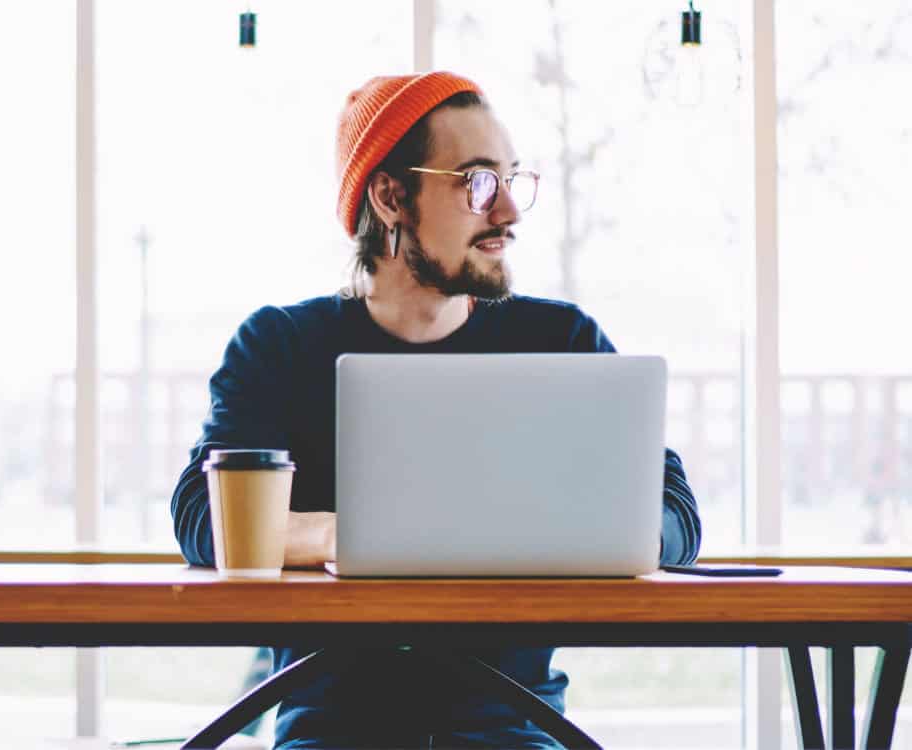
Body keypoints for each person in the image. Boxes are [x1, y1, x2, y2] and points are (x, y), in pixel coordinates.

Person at [169, 71, 703, 749]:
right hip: (332, 730)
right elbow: (200, 518)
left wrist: (601, 535)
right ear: (392, 196)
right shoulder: (279, 347)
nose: (508, 211)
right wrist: (350, 540)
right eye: (478, 182)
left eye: (513, 180)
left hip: (517, 728)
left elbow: (677, 516)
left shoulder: (561, 343)